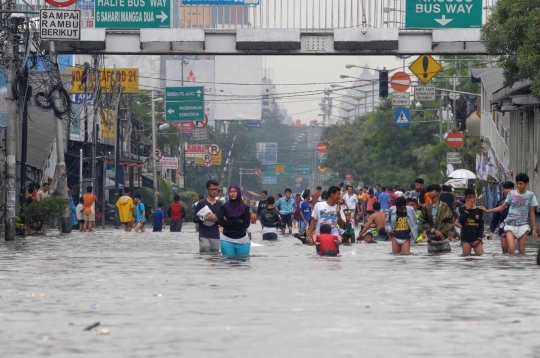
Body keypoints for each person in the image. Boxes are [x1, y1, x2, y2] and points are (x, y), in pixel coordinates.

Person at [479, 173, 538, 255]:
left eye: (521, 184)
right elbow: (502, 207)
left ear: (526, 183)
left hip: (523, 225)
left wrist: (534, 229)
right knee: (511, 250)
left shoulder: (531, 195)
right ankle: (510, 266)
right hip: (510, 224)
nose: (519, 186)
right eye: (517, 183)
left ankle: (520, 267)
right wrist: (487, 211)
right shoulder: (511, 194)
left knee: (521, 250)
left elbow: (531, 212)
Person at [420, 184, 454, 253]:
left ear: (438, 192)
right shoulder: (425, 207)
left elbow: (450, 220)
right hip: (432, 241)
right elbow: (423, 222)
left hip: (444, 240)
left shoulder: (444, 206)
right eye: (428, 191)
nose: (429, 193)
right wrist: (434, 231)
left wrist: (442, 232)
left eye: (432, 191)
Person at [218, 185, 251, 256]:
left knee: (242, 264)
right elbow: (221, 222)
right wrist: (238, 221)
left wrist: (228, 222)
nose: (232, 193)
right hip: (227, 239)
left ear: (238, 192)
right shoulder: (223, 207)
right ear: (229, 193)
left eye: (235, 191)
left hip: (242, 240)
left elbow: (246, 224)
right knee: (228, 263)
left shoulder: (245, 208)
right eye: (231, 192)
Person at [193, 180, 222, 254]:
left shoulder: (220, 205)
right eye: (212, 189)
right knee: (205, 255)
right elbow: (195, 219)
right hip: (204, 235)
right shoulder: (201, 204)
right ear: (207, 190)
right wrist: (204, 219)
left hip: (216, 235)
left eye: (216, 189)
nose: (214, 191)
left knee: (215, 258)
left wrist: (216, 220)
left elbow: (223, 221)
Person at [487, 181, 515, 253]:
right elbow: (495, 218)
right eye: (506, 188)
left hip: (515, 226)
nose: (508, 190)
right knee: (505, 250)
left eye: (510, 188)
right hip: (503, 227)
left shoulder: (517, 201)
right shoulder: (500, 202)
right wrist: (491, 231)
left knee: (513, 250)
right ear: (503, 190)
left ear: (513, 189)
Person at [458, 188, 484, 256]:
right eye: (470, 197)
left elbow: (481, 226)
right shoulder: (461, 209)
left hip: (476, 238)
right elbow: (462, 221)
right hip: (466, 238)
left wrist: (479, 239)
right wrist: (467, 209)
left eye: (473, 197)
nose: (472, 199)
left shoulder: (479, 209)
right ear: (465, 198)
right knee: (466, 257)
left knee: (480, 256)